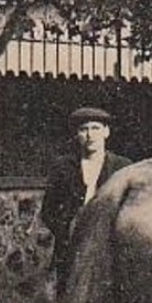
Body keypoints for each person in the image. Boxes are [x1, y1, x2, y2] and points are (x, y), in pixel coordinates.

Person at [41, 106, 132, 291]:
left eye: (96, 128)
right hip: (72, 245)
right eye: (84, 129)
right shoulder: (63, 167)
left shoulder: (122, 166)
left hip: (109, 243)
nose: (90, 135)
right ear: (77, 135)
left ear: (106, 132)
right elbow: (48, 210)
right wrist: (66, 229)